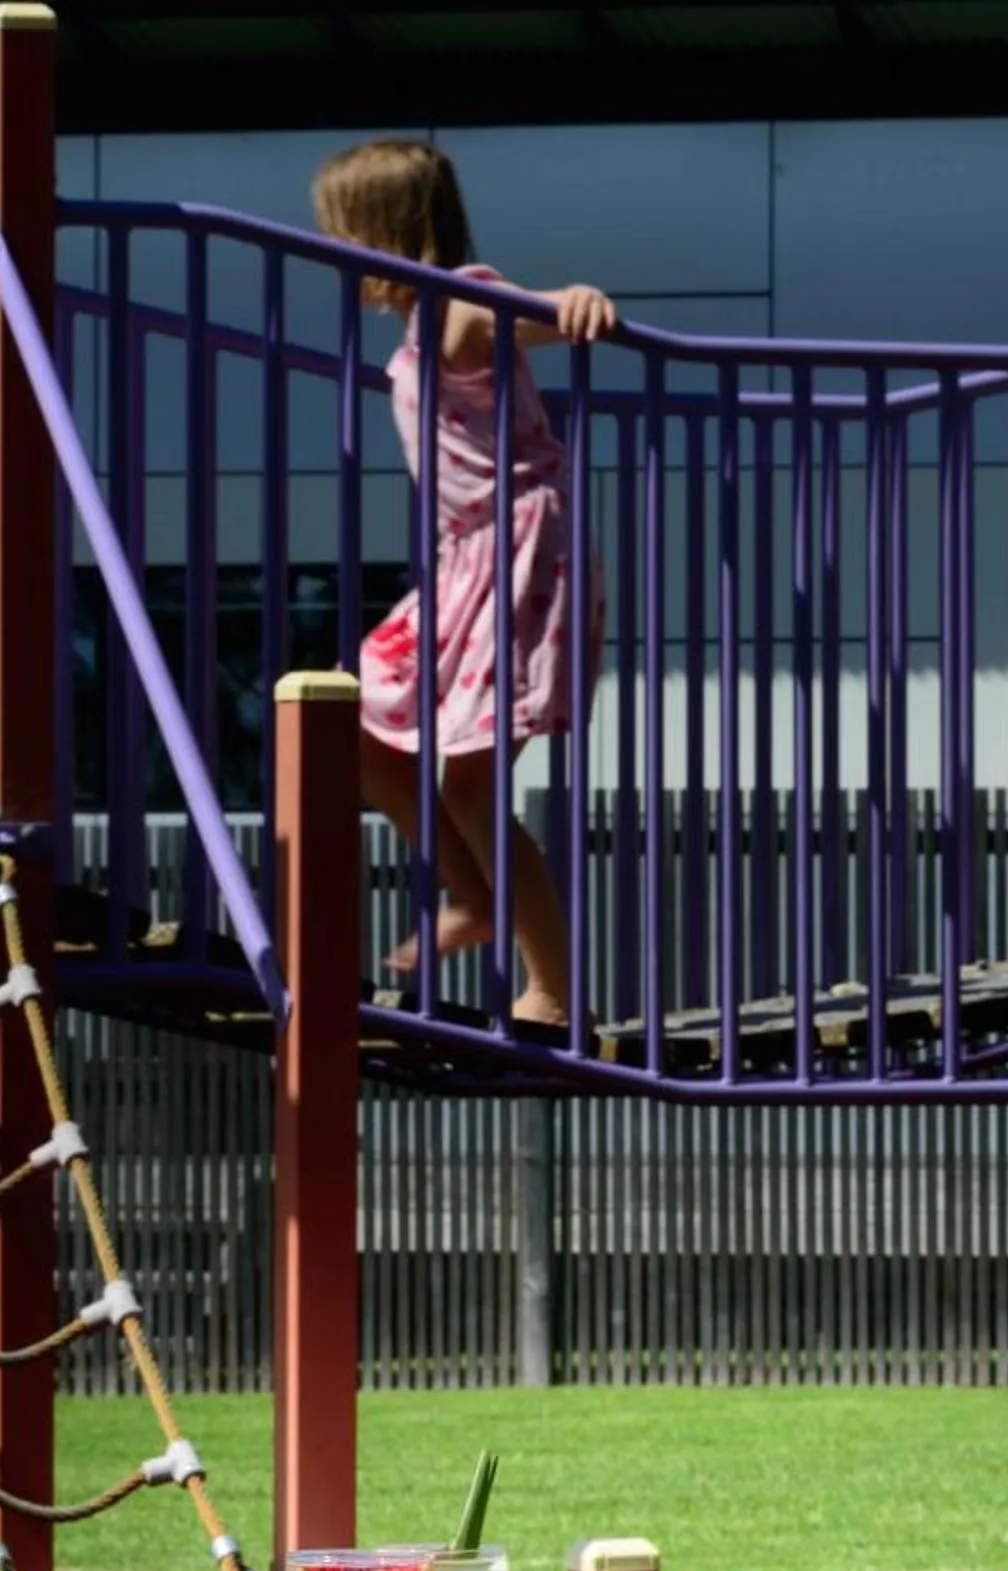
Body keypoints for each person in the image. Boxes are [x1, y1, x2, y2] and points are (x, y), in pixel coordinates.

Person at [311, 137, 614, 1028]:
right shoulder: (421, 326)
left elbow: (555, 313)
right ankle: (475, 898)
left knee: (474, 785)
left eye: (344, 232)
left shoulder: (462, 308)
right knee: (360, 728)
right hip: (462, 560)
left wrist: (580, 300)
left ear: (381, 233)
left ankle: (553, 990)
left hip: (518, 552)